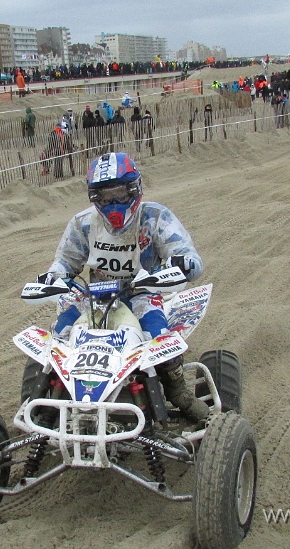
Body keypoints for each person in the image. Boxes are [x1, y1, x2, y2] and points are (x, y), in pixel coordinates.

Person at [37, 152, 210, 422]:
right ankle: (48, 400)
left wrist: (184, 262)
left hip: (141, 293)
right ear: (94, 198)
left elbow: (190, 259)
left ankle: (178, 393)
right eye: (104, 198)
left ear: (134, 189)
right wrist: (54, 275)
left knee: (159, 338)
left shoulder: (155, 217)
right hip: (94, 294)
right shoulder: (83, 223)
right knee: (58, 337)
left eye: (119, 194)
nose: (113, 204)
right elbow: (66, 261)